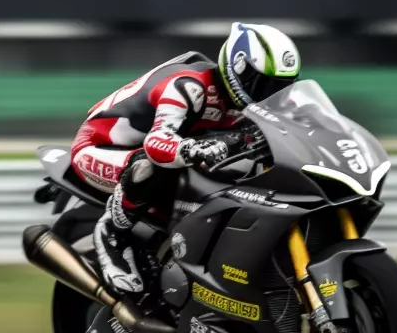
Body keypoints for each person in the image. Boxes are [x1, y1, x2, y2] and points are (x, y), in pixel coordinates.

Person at [70, 22, 301, 295]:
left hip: (157, 150)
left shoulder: (256, 105)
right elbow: (156, 144)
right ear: (238, 67)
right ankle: (113, 232)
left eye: (278, 88)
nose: (268, 95)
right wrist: (193, 149)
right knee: (147, 167)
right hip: (101, 147)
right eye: (262, 84)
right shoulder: (189, 86)